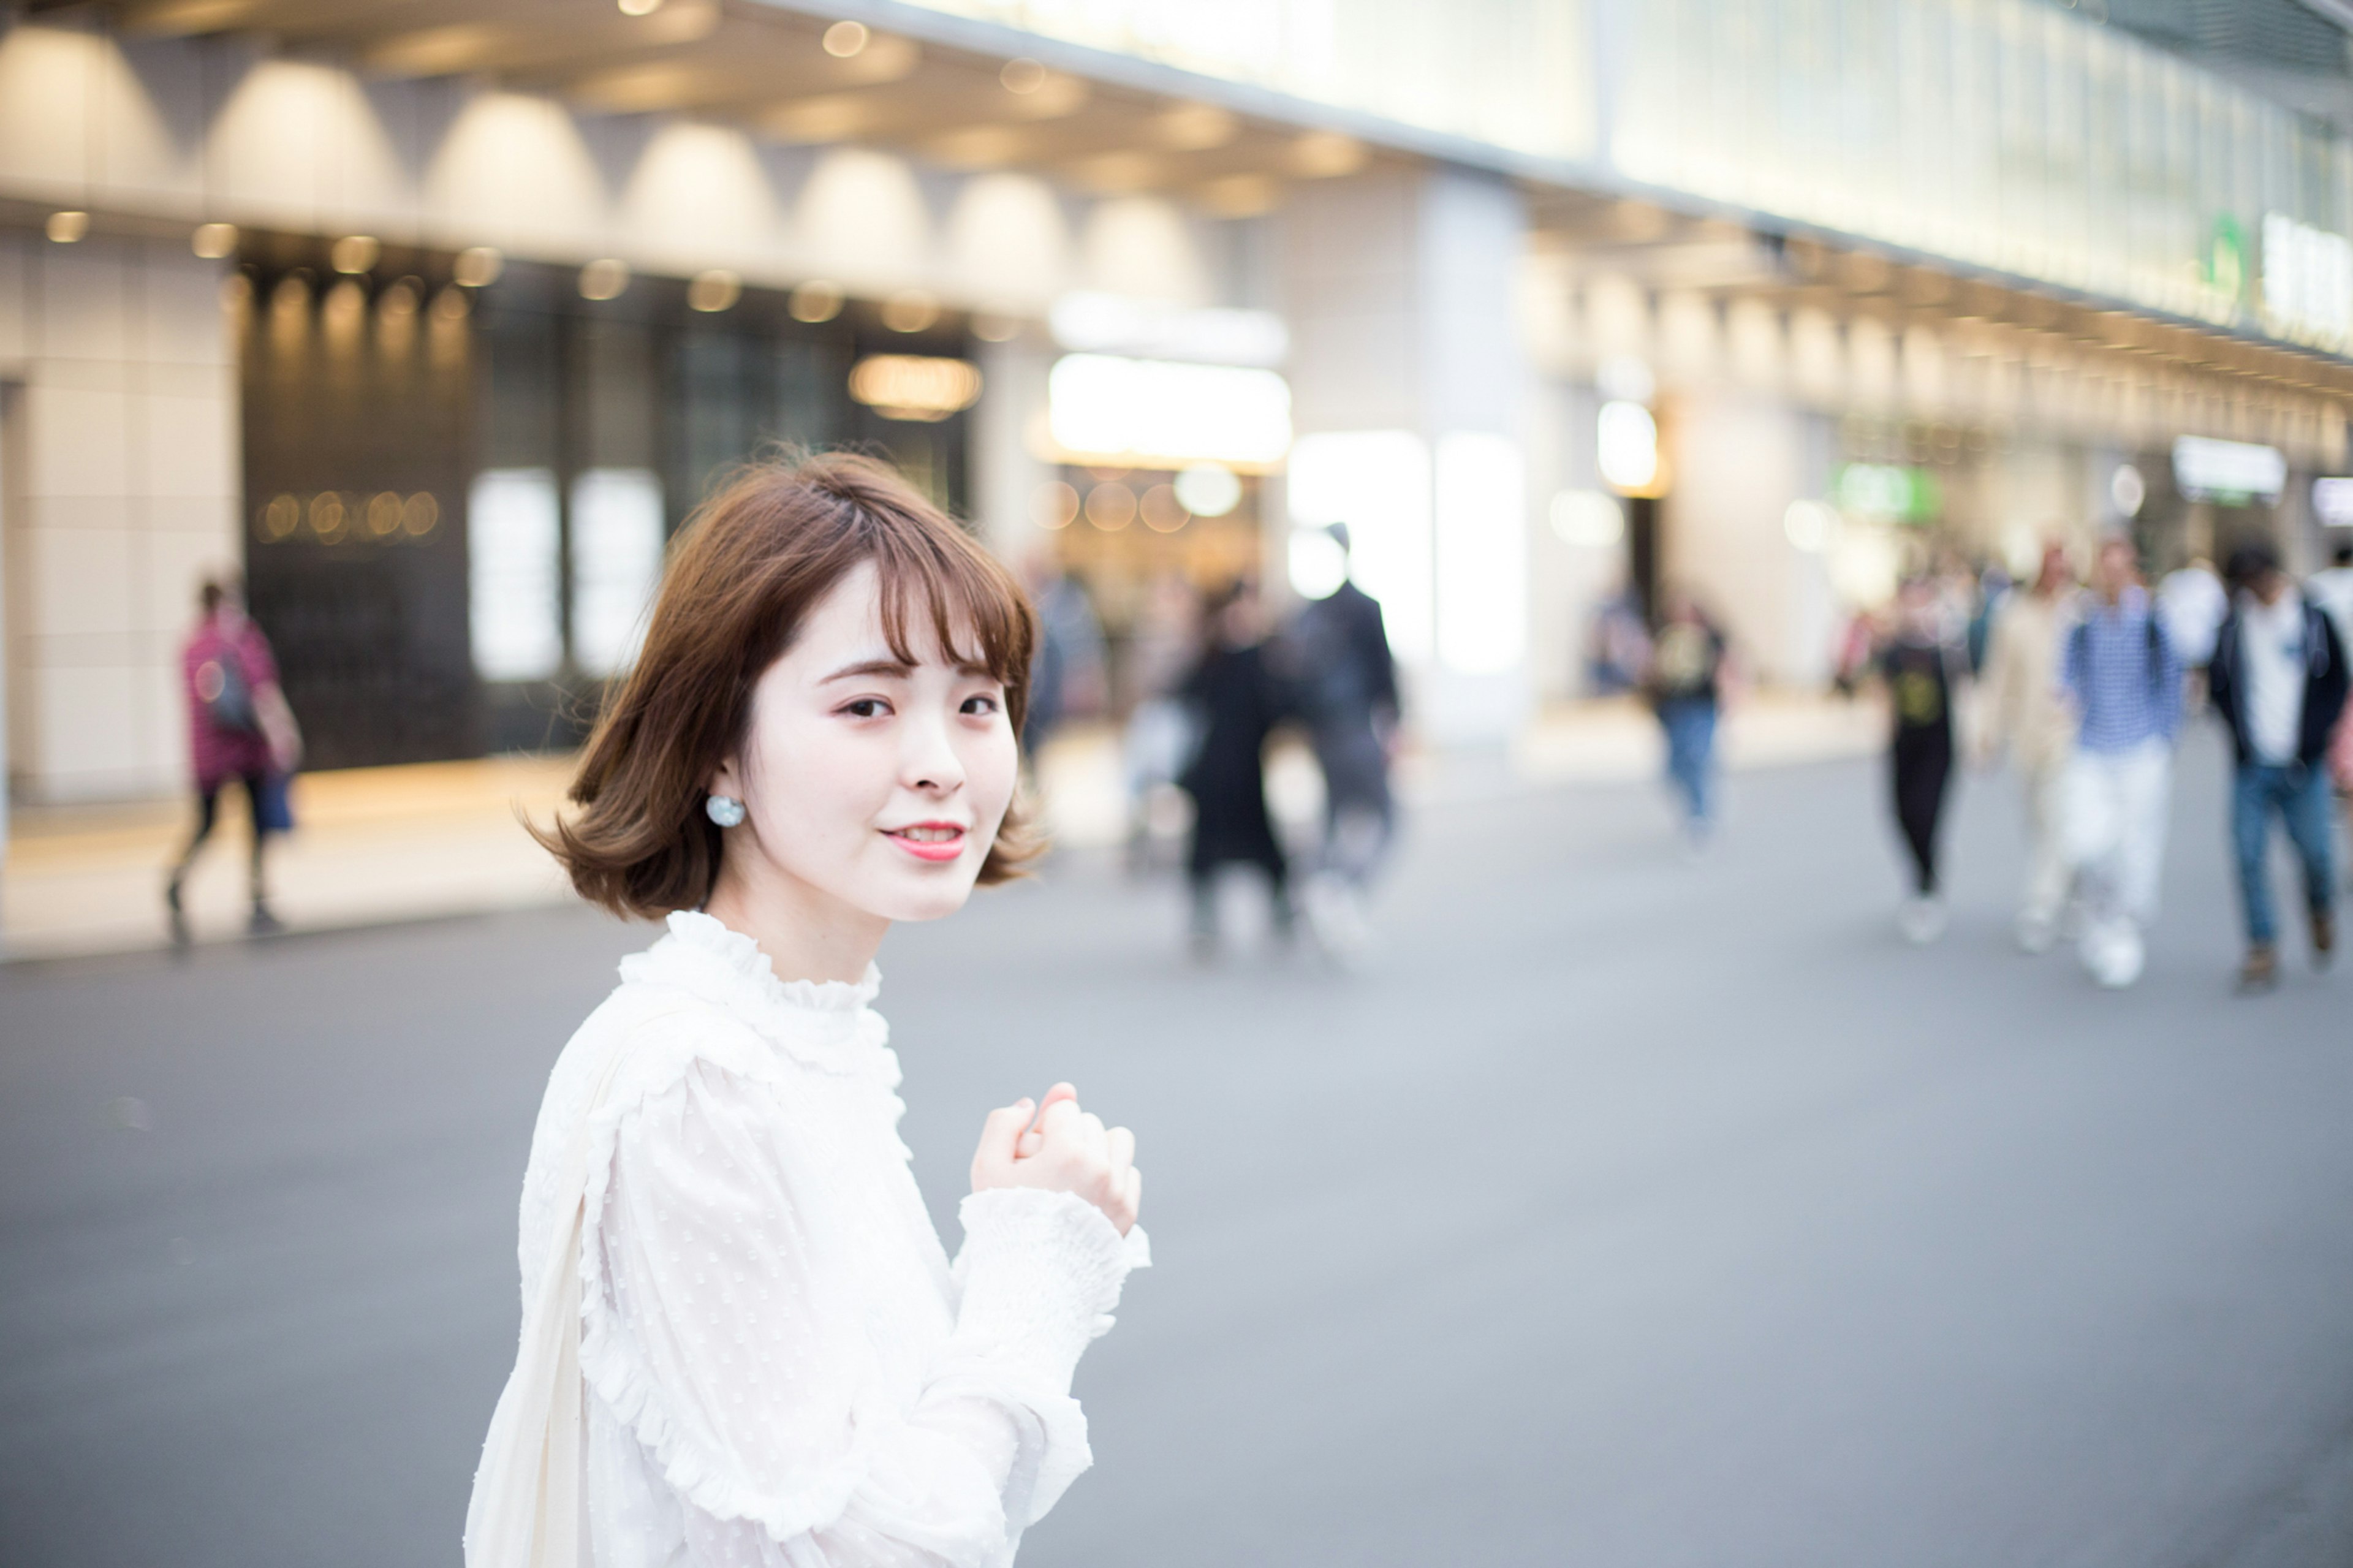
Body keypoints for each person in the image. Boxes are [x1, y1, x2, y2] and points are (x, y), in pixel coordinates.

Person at [468, 455, 1148, 1568]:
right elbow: (858, 1548)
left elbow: (881, 1457)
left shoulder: (797, 1034)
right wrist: (1034, 1264)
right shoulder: (695, 1081)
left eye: (976, 702)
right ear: (720, 745)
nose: (941, 763)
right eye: (868, 704)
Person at [2206, 542, 2348, 991]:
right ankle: (2262, 945)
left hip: (2303, 763)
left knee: (2317, 854)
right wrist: (2239, 735)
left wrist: (2316, 738)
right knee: (2248, 854)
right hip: (2253, 764)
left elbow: (2336, 681)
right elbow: (2220, 685)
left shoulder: (2312, 619)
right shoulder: (2235, 626)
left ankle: (2319, 906)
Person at [2058, 536, 2183, 989]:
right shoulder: (2082, 619)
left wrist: (2167, 738)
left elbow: (2173, 677)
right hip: (2092, 747)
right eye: (2105, 568)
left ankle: (2124, 933)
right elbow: (2066, 670)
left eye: (2120, 568)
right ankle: (2099, 917)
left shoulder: (2151, 619)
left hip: (2140, 748)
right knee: (2086, 844)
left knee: (2134, 848)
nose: (2112, 577)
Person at [1283, 524, 1401, 956]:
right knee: (1387, 818)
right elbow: (1384, 671)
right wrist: (1395, 724)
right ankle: (1338, 887)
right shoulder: (1361, 607)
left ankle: (1318, 885)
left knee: (1334, 816)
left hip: (1323, 733)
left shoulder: (1308, 615)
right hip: (1356, 727)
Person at [167, 578, 300, 941]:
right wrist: (282, 738)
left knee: (206, 823)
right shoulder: (241, 639)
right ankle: (258, 898)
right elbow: (263, 694)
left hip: (207, 754)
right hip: (246, 748)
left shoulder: (191, 645)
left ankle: (176, 880)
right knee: (257, 825)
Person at [1176, 580, 1294, 956]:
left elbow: (1280, 708)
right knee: (1206, 849)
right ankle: (1205, 922)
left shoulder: (1263, 656)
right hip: (1211, 770)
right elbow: (1183, 695)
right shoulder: (1212, 655)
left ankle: (1282, 911)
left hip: (1246, 770)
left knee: (1263, 844)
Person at [1976, 543, 2081, 952]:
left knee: (2061, 817)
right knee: (2039, 822)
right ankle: (2071, 889)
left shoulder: (2081, 614)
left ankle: (2041, 904)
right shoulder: (2015, 616)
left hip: (2071, 734)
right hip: (2027, 735)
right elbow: (1998, 677)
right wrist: (1987, 729)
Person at [1882, 577, 1969, 943]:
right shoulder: (1891, 650)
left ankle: (1926, 887)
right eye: (1909, 602)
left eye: (1922, 602)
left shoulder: (1948, 648)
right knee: (1901, 814)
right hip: (1904, 746)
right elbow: (1882, 695)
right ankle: (1921, 873)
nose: (1915, 610)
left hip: (1939, 745)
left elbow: (1967, 688)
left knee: (1927, 811)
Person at [1646, 589, 1730, 847]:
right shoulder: (1663, 637)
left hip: (1701, 706)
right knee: (1674, 768)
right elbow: (1652, 671)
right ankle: (1696, 804)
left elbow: (1728, 669)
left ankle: (1699, 812)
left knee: (1697, 757)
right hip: (1673, 709)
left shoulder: (1710, 638)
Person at [1019, 553, 1105, 765]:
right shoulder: (1027, 597)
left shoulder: (1068, 601)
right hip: (1032, 687)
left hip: (1051, 687)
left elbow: (1081, 646)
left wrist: (1081, 681)